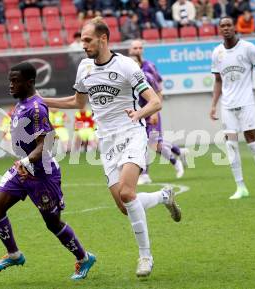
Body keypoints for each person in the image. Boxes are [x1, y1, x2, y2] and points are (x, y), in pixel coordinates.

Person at [42, 17, 181, 278]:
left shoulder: (126, 65)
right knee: (123, 205)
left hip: (131, 134)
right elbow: (77, 102)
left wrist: (139, 114)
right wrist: (42, 100)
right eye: (82, 40)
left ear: (103, 39)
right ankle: (164, 196)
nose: (82, 45)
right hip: (106, 141)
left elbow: (155, 101)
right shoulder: (84, 67)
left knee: (128, 194)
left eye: (87, 40)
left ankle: (145, 256)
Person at [0, 62, 96, 280]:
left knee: (53, 223)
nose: (10, 85)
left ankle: (84, 258)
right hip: (23, 170)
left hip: (43, 175)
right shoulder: (21, 104)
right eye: (10, 80)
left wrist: (26, 160)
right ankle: (14, 254)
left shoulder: (36, 108)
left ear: (29, 82)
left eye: (15, 81)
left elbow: (45, 143)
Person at [210, 16, 255, 199]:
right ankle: (240, 187)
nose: (226, 28)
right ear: (219, 29)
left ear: (235, 28)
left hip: (246, 104)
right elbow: (218, 80)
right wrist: (213, 105)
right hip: (227, 107)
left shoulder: (248, 48)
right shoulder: (217, 52)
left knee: (252, 143)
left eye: (229, 25)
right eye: (222, 26)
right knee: (231, 145)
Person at [128, 39, 188, 184]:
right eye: (134, 48)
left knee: (154, 143)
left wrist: (154, 112)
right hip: (137, 114)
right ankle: (178, 153)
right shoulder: (125, 75)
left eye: (139, 47)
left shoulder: (147, 72)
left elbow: (158, 90)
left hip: (150, 112)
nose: (137, 50)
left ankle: (175, 161)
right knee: (145, 143)